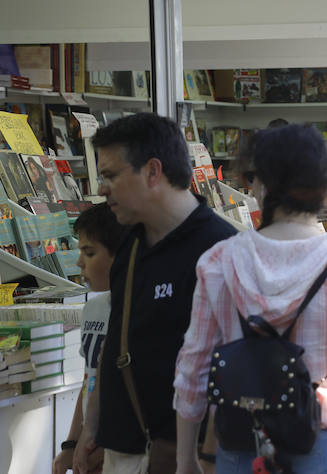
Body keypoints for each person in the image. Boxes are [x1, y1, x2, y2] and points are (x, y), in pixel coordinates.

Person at [174, 125, 327, 473]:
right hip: (319, 448)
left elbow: (193, 368)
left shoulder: (219, 262)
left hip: (239, 447)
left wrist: (185, 460)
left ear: (258, 185)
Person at [73, 113, 237, 474]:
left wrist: (202, 457)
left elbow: (232, 368)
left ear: (152, 171)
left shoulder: (221, 249)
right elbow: (115, 346)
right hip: (121, 451)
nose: (102, 189)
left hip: (185, 456)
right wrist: (91, 426)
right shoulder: (129, 245)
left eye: (111, 175)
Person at [52, 203, 127, 474]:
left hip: (123, 449)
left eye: (89, 252)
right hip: (89, 447)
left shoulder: (139, 313)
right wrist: (71, 443)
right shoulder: (93, 309)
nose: (79, 263)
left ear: (120, 255)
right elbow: (89, 379)